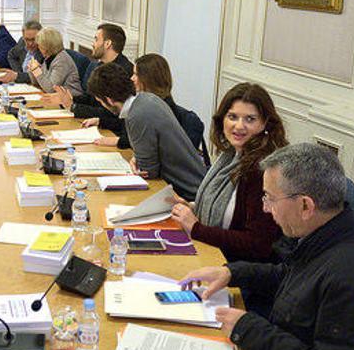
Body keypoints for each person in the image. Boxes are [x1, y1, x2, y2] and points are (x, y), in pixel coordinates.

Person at [180, 143, 354, 350]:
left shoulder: (351, 276)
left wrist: (249, 328)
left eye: (269, 198)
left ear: (305, 206)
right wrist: (231, 272)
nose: (265, 208)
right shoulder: (333, 233)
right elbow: (291, 277)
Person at [170, 83, 287, 262]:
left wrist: (196, 228)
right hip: (215, 255)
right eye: (232, 117)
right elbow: (228, 210)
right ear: (222, 119)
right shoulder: (231, 156)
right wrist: (192, 207)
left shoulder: (262, 170)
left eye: (250, 119)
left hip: (238, 270)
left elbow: (257, 244)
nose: (239, 126)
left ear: (265, 123)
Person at [86, 62, 205, 200]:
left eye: (101, 102)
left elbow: (148, 173)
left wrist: (140, 163)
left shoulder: (137, 115)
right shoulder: (147, 99)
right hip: (191, 185)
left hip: (186, 194)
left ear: (109, 100)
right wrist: (137, 157)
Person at [85, 54, 206, 157]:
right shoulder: (142, 103)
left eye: (136, 74)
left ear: (149, 79)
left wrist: (119, 141)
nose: (132, 79)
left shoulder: (158, 110)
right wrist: (101, 121)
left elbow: (145, 141)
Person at [27, 27, 83, 96]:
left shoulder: (62, 60)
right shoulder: (48, 57)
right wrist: (32, 70)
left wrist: (37, 70)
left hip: (71, 99)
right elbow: (38, 83)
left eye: (40, 45)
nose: (38, 47)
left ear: (48, 46)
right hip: (56, 97)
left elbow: (50, 89)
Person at [0, 20, 43, 84]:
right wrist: (18, 73)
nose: (30, 43)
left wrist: (18, 76)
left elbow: (38, 76)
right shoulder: (22, 42)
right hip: (22, 84)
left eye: (33, 39)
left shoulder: (45, 51)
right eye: (27, 39)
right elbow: (11, 55)